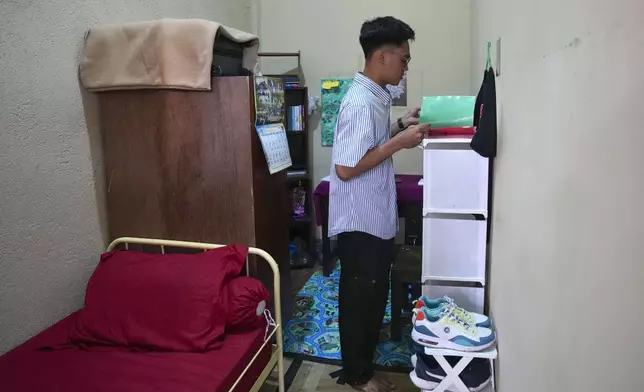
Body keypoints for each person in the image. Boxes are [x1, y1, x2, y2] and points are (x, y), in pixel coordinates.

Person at [329, 16, 430, 392]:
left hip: (373, 216)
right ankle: (358, 375)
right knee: (360, 299)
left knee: (372, 295)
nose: (406, 67)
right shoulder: (359, 103)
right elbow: (345, 167)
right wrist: (400, 143)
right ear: (383, 56)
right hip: (361, 221)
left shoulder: (373, 96)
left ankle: (363, 361)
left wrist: (398, 127)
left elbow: (366, 146)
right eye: (404, 59)